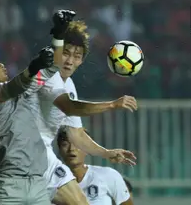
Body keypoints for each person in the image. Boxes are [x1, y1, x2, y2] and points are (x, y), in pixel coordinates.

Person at [0, 10, 76, 205]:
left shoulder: (22, 89)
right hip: (9, 186)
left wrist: (58, 36)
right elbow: (6, 91)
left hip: (39, 183)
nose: (0, 64)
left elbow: (52, 68)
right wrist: (32, 68)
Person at [30, 20, 137, 204]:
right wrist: (112, 105)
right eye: (66, 53)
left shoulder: (68, 84)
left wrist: (106, 153)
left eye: (77, 56)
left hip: (37, 155)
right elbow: (70, 107)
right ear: (57, 53)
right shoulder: (48, 75)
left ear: (81, 60)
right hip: (31, 154)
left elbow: (75, 133)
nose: (70, 61)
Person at [57, 129, 134, 205]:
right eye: (65, 144)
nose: (71, 149)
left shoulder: (108, 175)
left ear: (87, 149)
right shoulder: (52, 182)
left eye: (77, 144)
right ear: (59, 150)